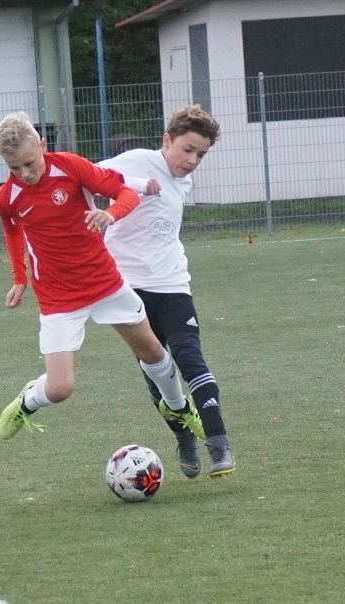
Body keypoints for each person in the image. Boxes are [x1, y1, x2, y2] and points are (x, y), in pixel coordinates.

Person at [0, 111, 203, 441]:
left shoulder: (71, 167)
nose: (25, 174)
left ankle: (178, 407)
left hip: (105, 283)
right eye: (14, 168)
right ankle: (27, 401)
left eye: (29, 163)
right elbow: (12, 231)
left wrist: (110, 214)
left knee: (153, 352)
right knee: (60, 388)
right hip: (58, 297)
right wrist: (19, 277)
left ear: (43, 146)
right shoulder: (8, 197)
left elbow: (125, 192)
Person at [100, 105, 235, 478]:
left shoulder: (183, 180)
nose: (192, 161)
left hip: (173, 285)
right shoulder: (137, 162)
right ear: (166, 140)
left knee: (190, 358)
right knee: (157, 375)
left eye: (200, 155)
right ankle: (184, 437)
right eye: (187, 149)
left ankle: (219, 443)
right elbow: (87, 175)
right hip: (126, 290)